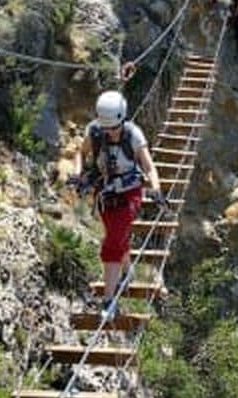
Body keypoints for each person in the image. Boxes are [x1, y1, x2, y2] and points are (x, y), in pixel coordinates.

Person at [72, 91, 168, 319]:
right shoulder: (95, 131)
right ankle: (126, 271)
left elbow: (148, 166)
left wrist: (155, 189)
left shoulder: (133, 135)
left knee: (112, 242)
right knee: (118, 236)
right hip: (104, 193)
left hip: (129, 194)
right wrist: (77, 175)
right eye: (106, 129)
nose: (109, 133)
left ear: (122, 119)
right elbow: (81, 152)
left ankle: (108, 301)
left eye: (113, 128)